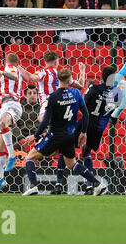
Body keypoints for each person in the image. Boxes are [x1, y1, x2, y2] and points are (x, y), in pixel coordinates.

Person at [22, 68, 107, 196]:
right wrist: (83, 132)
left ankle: (33, 186)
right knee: (71, 163)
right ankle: (97, 184)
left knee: (30, 157)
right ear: (69, 80)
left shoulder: (53, 97)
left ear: (57, 80)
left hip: (55, 135)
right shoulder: (77, 93)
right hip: (70, 135)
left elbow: (45, 121)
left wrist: (34, 136)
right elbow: (85, 114)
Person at [51, 66, 121, 195]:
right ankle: (90, 187)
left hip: (86, 124)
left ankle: (58, 183)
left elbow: (83, 104)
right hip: (99, 128)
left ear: (102, 76)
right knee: (86, 153)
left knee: (65, 149)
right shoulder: (117, 93)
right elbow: (114, 112)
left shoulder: (93, 88)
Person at [0, 53, 23, 195]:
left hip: (13, 104)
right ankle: (0, 179)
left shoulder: (13, 70)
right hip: (3, 107)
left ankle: (12, 156)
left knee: (2, 123)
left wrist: (0, 71)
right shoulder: (4, 76)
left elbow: (14, 77)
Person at [17, 50, 85, 122]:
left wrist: (17, 66)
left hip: (47, 104)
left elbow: (30, 78)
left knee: (43, 121)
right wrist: (82, 70)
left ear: (45, 62)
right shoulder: (61, 75)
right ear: (56, 62)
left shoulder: (42, 72)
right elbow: (80, 86)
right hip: (62, 104)